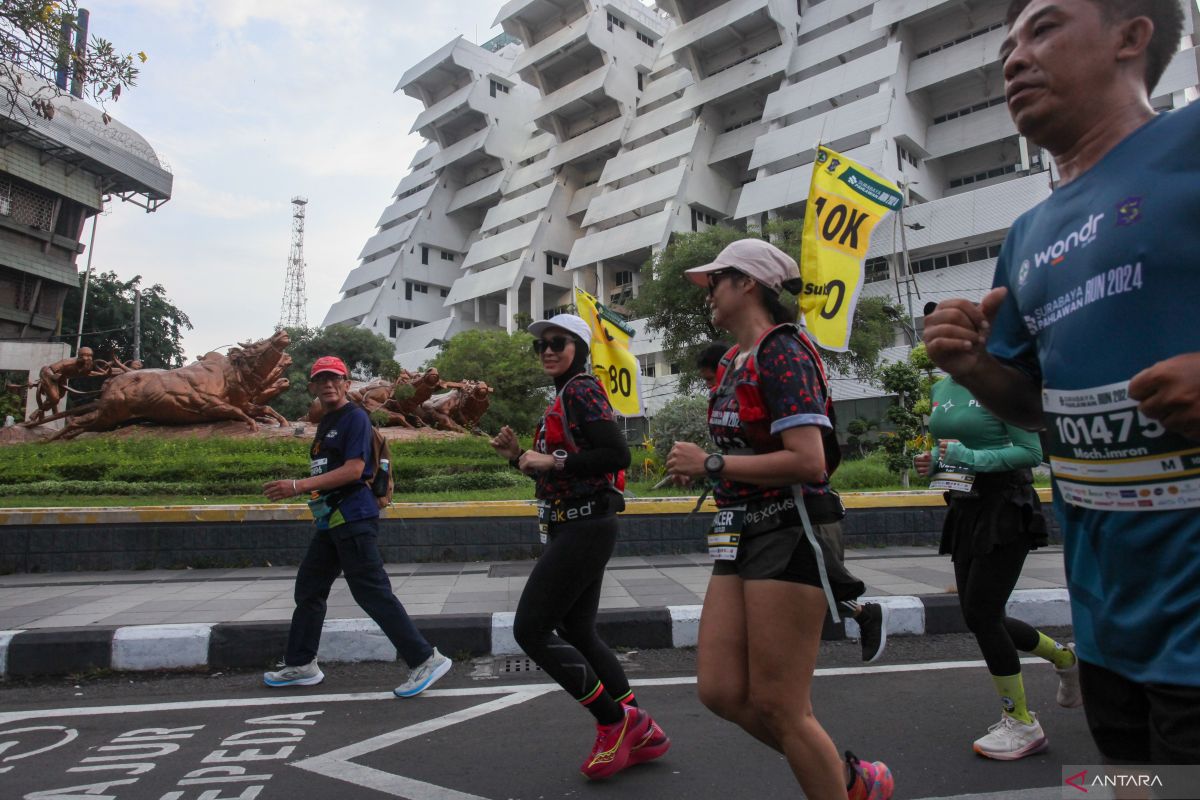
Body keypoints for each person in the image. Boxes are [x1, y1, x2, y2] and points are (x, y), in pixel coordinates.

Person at [923, 0, 1200, 764]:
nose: (1012, 58)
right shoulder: (1028, 235)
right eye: (1008, 42)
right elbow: (1037, 406)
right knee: (1131, 788)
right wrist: (974, 366)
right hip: (1110, 628)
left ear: (1130, 37)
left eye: (1043, 28)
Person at [666, 239, 892, 800]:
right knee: (720, 691)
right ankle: (846, 779)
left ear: (747, 283)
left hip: (791, 526)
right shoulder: (731, 360)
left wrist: (712, 461)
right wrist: (707, 470)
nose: (708, 294)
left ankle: (846, 786)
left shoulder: (783, 351)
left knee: (780, 705)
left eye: (715, 280)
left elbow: (809, 460)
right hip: (739, 532)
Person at [490, 313, 669, 781]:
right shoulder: (565, 396)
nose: (548, 350)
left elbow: (616, 454)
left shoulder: (582, 390)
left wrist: (551, 458)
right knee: (578, 630)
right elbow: (565, 470)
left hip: (585, 526)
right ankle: (641, 729)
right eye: (541, 345)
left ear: (580, 349)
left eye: (559, 343)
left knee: (531, 630)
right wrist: (518, 459)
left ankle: (614, 723)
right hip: (579, 523)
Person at [262, 355, 451, 696]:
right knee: (309, 588)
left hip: (353, 517)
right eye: (322, 380)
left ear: (348, 385)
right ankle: (301, 663)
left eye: (336, 379)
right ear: (313, 387)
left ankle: (425, 659)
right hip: (332, 519)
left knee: (371, 591)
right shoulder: (329, 422)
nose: (329, 385)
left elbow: (353, 469)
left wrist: (296, 486)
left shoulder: (354, 418)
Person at [915, 375, 1080, 760]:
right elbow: (955, 451)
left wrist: (970, 458)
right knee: (980, 616)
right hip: (964, 506)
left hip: (1005, 506)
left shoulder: (1003, 384)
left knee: (983, 614)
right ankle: (1065, 659)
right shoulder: (940, 388)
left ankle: (1022, 723)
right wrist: (936, 463)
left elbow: (1030, 452)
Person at [695, 339, 889, 664]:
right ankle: (860, 614)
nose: (710, 387)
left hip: (788, 516)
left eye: (709, 378)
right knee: (728, 681)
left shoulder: (780, 363)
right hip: (741, 518)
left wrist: (710, 463)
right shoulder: (725, 400)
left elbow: (805, 461)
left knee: (806, 594)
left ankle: (863, 614)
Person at [22, 347, 94, 425]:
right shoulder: (69, 363)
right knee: (55, 398)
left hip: (61, 377)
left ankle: (49, 409)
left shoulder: (85, 365)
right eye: (86, 355)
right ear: (80, 356)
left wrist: (103, 373)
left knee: (61, 395)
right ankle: (37, 413)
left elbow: (88, 373)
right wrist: (52, 377)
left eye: (90, 356)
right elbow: (52, 369)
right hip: (49, 374)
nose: (89, 358)